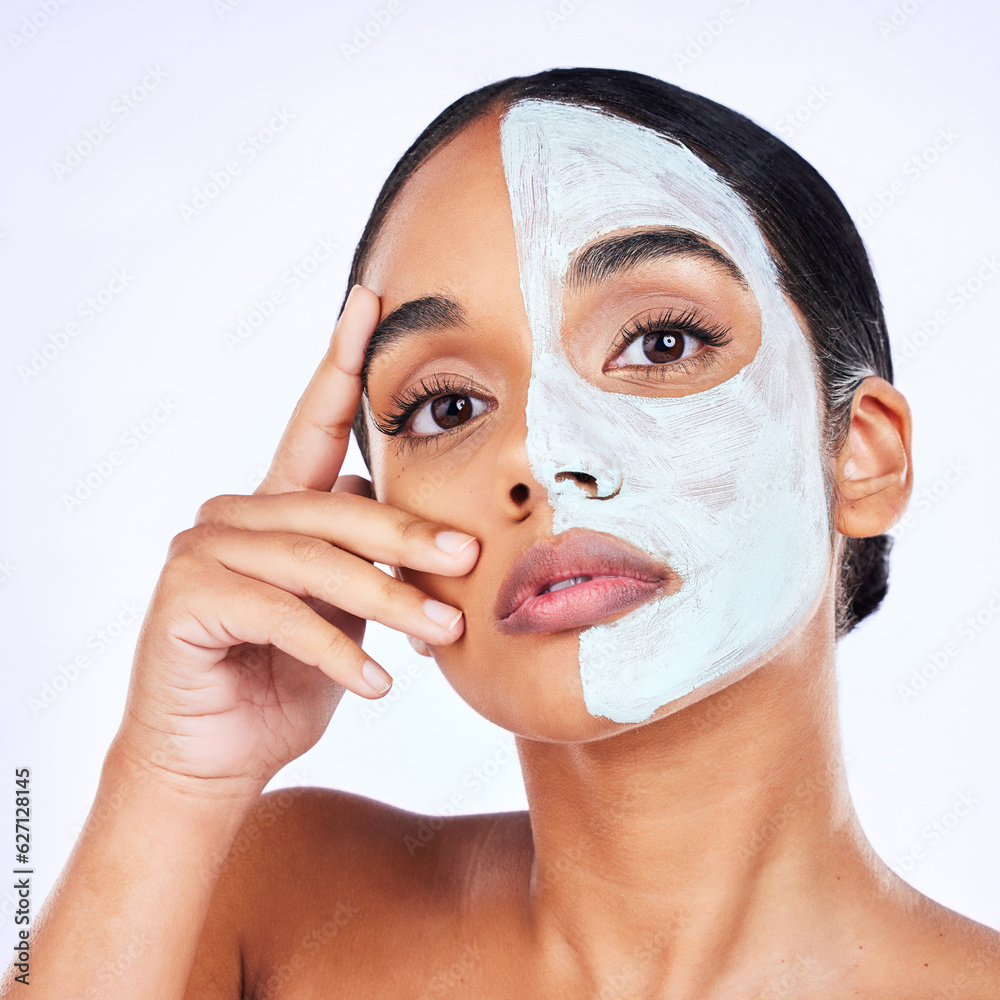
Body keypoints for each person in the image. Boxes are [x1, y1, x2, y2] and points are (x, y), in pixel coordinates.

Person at [8, 68, 999, 999]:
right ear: (377, 527)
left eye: (660, 342)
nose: (535, 451)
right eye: (445, 407)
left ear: (862, 457)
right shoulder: (277, 900)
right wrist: (169, 781)